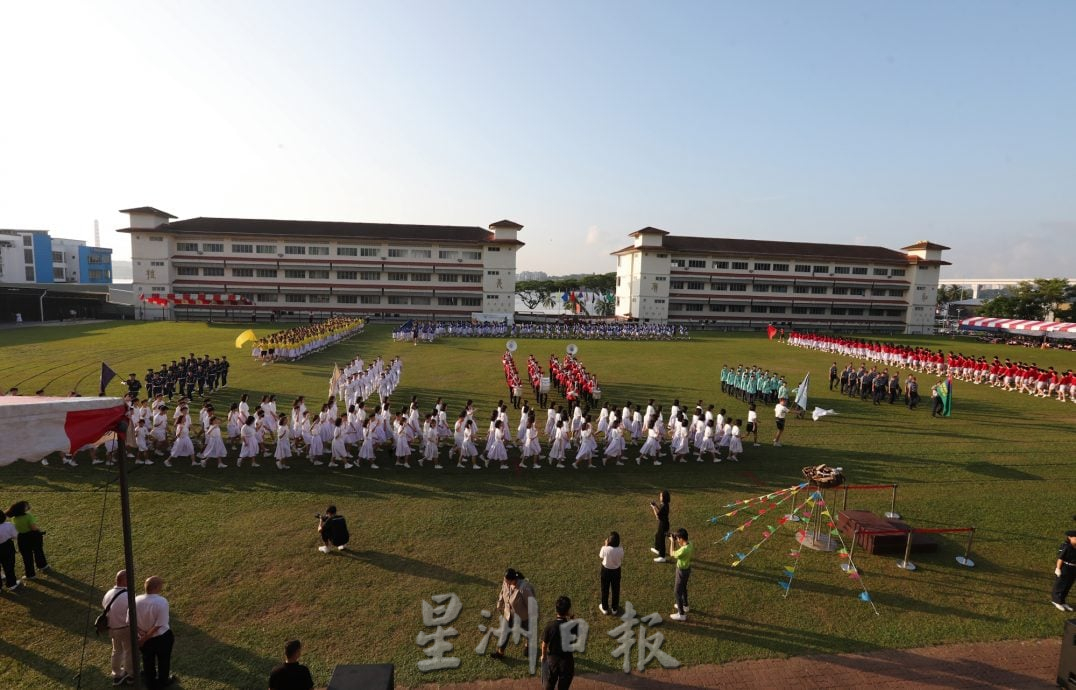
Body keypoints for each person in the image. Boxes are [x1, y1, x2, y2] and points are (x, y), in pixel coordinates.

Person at [133, 575, 175, 689]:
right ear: (156, 587)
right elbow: (159, 625)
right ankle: (163, 681)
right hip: (161, 638)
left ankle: (150, 682)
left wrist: (141, 635)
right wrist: (145, 638)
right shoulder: (161, 602)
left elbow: (130, 620)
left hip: (142, 637)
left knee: (147, 660)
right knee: (163, 660)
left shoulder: (136, 600)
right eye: (161, 585)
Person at [490, 568, 536, 660]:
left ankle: (528, 646)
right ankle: (500, 652)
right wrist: (500, 602)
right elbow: (502, 591)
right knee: (505, 632)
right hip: (509, 615)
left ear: (513, 580)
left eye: (507, 581)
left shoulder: (523, 588)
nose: (505, 582)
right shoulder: (506, 582)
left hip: (523, 616)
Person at [103, 569, 133, 686]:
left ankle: (116, 675)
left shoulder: (108, 593)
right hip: (125, 628)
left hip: (112, 628)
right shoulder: (128, 595)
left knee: (117, 651)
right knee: (129, 651)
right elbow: (133, 612)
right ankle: (131, 675)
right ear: (124, 581)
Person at [540, 595, 576, 690]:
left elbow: (544, 645)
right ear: (568, 611)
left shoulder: (550, 626)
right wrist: (572, 617)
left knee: (549, 684)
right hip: (567, 662)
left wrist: (543, 656)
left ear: (556, 610)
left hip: (552, 661)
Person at [5, 501, 48, 579]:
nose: (28, 506)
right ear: (21, 509)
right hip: (33, 536)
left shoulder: (14, 519)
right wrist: (39, 530)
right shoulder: (29, 516)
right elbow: (33, 527)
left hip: (22, 538)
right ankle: (43, 565)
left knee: (26, 556)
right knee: (38, 551)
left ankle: (30, 574)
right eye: (26, 505)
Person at [669, 528, 694, 621]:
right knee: (683, 588)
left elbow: (672, 553)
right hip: (687, 569)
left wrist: (672, 542)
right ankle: (685, 605)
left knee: (677, 592)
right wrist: (677, 540)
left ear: (681, 539)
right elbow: (682, 546)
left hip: (681, 571)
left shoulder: (683, 550)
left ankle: (681, 614)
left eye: (678, 538)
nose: (677, 540)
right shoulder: (690, 544)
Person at [598, 531, 623, 615]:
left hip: (605, 571)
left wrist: (605, 545)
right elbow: (621, 556)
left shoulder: (604, 548)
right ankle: (614, 608)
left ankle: (605, 608)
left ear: (609, 541)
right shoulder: (620, 549)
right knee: (616, 589)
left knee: (604, 589)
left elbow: (601, 556)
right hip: (616, 571)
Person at [1053, 530, 1076, 611]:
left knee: (1068, 585)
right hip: (1065, 567)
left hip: (1074, 568)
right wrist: (1058, 568)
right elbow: (1060, 558)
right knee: (1061, 584)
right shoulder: (1067, 547)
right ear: (1070, 538)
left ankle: (1062, 601)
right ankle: (1056, 601)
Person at [0, 511, 21, 592]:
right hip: (6, 547)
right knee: (9, 566)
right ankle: (12, 584)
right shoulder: (8, 525)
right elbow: (15, 535)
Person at [651, 490, 670, 563]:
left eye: (661, 496)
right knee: (657, 535)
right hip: (663, 523)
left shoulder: (664, 506)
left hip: (663, 525)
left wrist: (653, 508)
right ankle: (657, 549)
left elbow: (657, 517)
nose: (660, 497)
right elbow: (660, 510)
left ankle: (662, 557)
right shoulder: (664, 504)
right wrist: (656, 505)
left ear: (664, 497)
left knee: (661, 540)